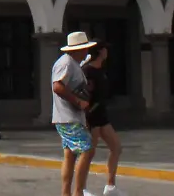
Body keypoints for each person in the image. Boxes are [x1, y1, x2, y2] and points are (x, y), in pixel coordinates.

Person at [51, 31, 96, 196]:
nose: (86, 51)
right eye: (84, 48)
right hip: (68, 116)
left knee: (70, 154)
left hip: (70, 116)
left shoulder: (73, 64)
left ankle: (66, 193)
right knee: (87, 150)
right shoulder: (66, 63)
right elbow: (58, 86)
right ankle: (78, 191)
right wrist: (78, 101)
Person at [82, 43, 123, 195]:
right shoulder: (87, 71)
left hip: (102, 115)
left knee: (116, 147)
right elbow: (85, 95)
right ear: (100, 51)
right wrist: (85, 117)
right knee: (88, 153)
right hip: (91, 116)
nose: (107, 52)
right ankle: (82, 188)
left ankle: (110, 186)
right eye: (105, 49)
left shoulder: (102, 70)